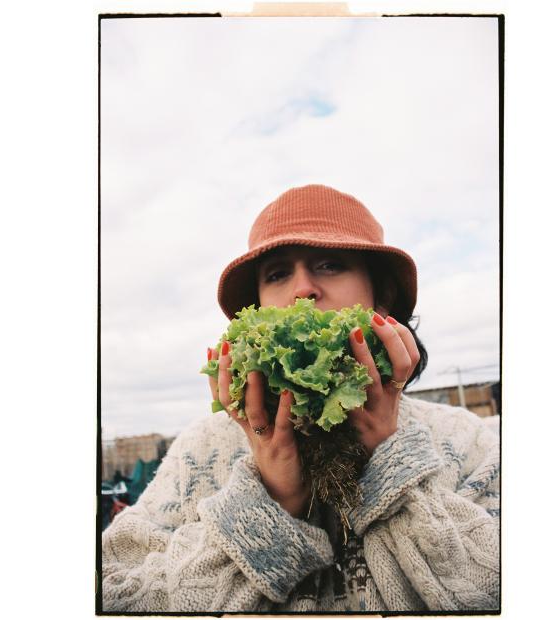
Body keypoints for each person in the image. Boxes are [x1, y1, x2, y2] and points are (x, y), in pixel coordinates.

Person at [101, 184, 500, 612]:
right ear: (255, 309)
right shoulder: (202, 447)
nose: (303, 289)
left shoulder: (466, 440)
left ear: (380, 295)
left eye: (331, 264)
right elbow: (118, 592)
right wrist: (269, 501)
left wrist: (392, 462)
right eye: (276, 274)